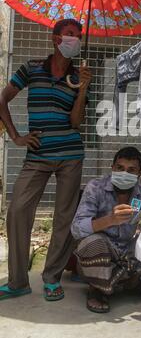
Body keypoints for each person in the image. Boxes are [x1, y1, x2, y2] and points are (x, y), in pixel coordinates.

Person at [0, 19, 92, 302]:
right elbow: (2, 99)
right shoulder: (31, 68)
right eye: (69, 35)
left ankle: (52, 277)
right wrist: (16, 137)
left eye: (78, 36)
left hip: (70, 155)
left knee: (64, 217)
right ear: (55, 38)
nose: (74, 40)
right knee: (17, 211)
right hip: (37, 155)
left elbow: (76, 123)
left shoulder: (79, 75)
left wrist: (83, 88)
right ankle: (18, 281)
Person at [71, 146, 141, 313]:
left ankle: (129, 281)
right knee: (93, 243)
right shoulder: (95, 188)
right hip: (102, 252)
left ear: (139, 174)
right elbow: (76, 229)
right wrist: (109, 220)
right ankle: (98, 290)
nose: (124, 173)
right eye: (120, 168)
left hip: (127, 252)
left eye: (131, 170)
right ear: (112, 168)